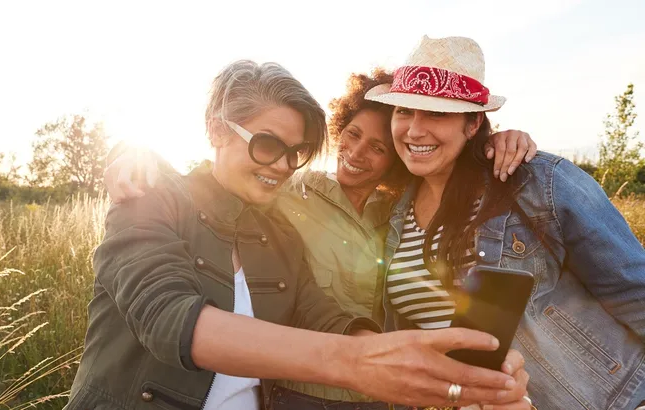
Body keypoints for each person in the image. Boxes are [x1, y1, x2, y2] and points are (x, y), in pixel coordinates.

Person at [102, 65, 536, 409]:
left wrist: (406, 358)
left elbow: (318, 312)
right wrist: (132, 153)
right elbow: (165, 316)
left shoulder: (278, 231)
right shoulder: (153, 197)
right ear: (216, 129)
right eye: (267, 145)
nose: (282, 166)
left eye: (296, 153)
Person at [363, 35, 645, 410]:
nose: (414, 130)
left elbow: (634, 292)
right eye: (403, 111)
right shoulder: (392, 213)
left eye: (436, 112)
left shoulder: (538, 183)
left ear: (473, 122)